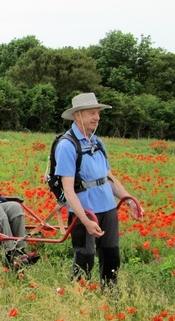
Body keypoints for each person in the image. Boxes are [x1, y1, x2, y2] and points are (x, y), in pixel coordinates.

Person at [55, 92, 144, 288]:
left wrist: (129, 200)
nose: (97, 117)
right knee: (84, 259)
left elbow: (109, 178)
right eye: (92, 113)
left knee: (112, 256)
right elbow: (68, 190)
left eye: (98, 113)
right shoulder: (67, 146)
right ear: (78, 115)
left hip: (107, 207)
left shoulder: (97, 142)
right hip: (84, 211)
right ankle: (78, 299)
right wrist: (85, 220)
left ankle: (109, 297)